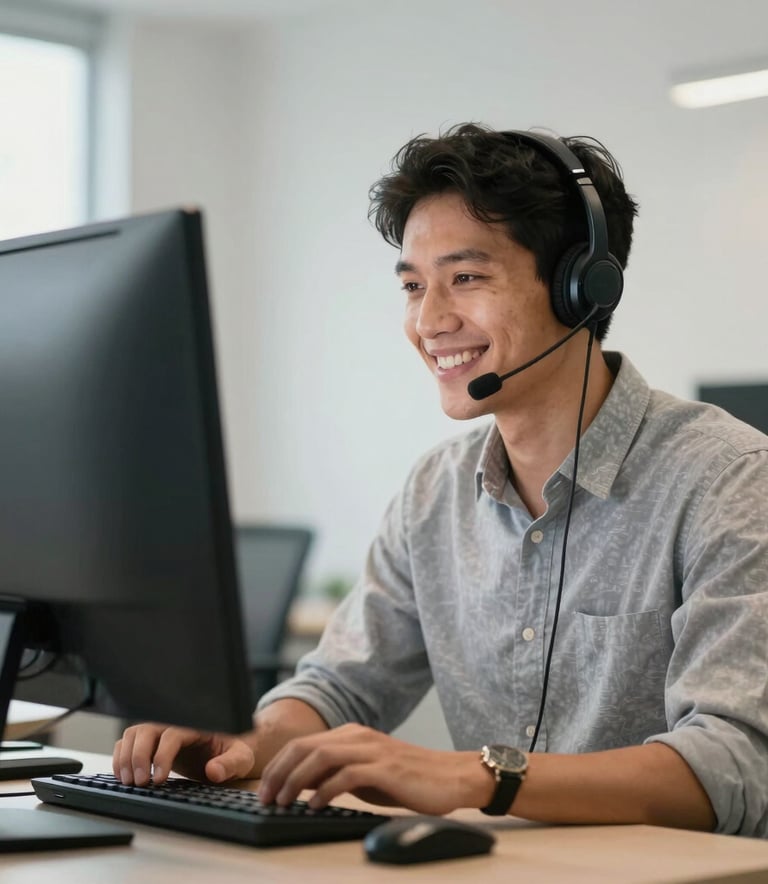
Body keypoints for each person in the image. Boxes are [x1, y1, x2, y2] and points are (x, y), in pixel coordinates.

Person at [114, 124, 768, 836]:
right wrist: (250, 742)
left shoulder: (728, 480)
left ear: (583, 287)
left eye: (466, 278)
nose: (429, 321)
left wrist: (475, 776)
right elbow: (340, 685)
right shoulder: (436, 493)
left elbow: (733, 763)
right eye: (414, 287)